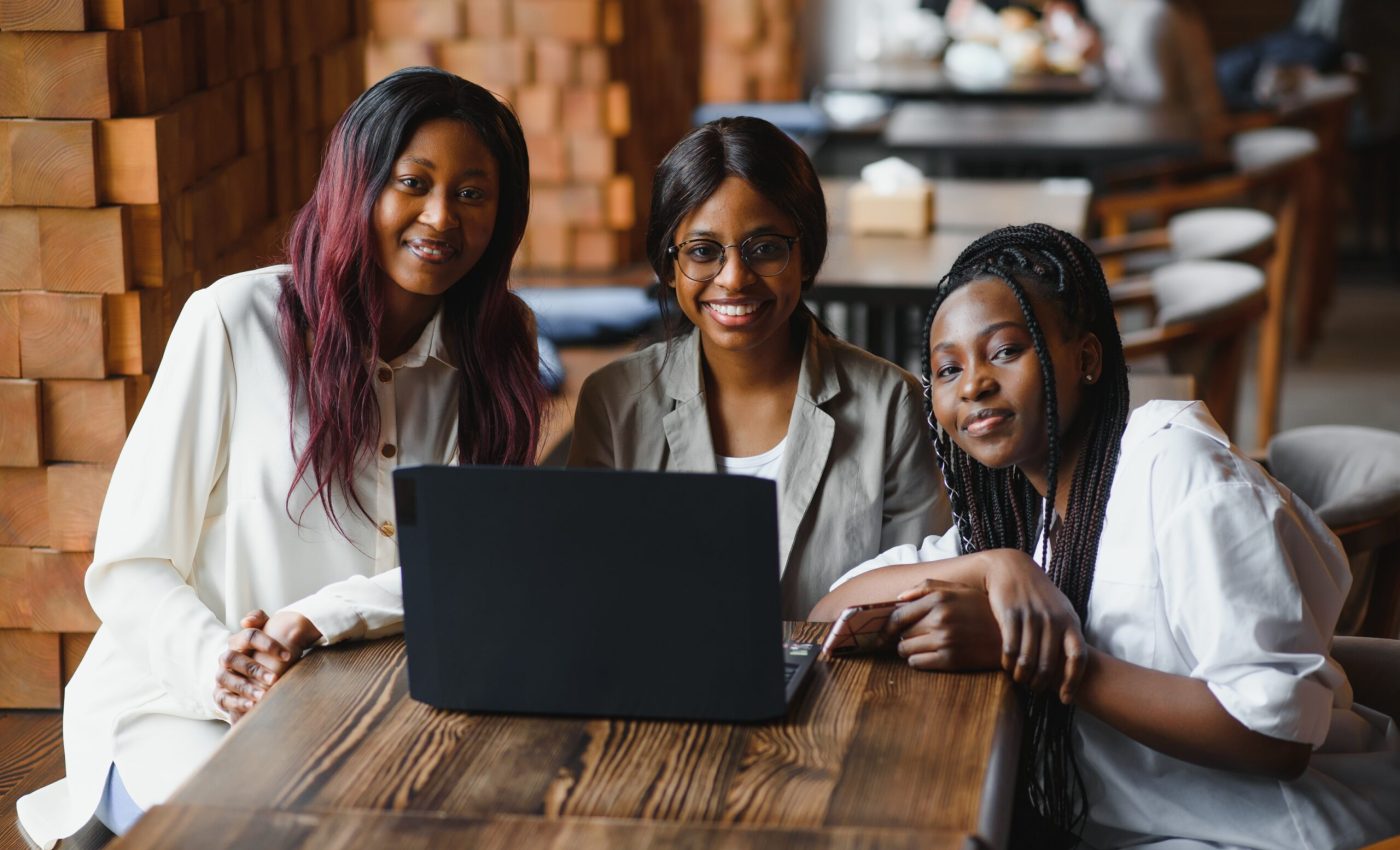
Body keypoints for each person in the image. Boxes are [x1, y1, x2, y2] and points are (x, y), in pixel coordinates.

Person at [16, 67, 546, 847]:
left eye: (473, 193)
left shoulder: (500, 343)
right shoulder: (235, 320)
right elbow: (130, 565)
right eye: (413, 182)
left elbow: (481, 560)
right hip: (179, 703)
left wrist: (316, 620)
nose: (441, 216)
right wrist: (221, 667)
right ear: (356, 184)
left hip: (378, 705)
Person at [811, 224, 1400, 849]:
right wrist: (994, 568)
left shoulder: (1180, 475)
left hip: (1273, 834)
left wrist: (1048, 660)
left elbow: (1275, 738)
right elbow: (833, 606)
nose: (974, 383)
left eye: (1006, 351)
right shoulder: (1020, 516)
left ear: (1087, 359)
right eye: (948, 369)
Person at [567, 117, 948, 618]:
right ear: (667, 266)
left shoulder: (891, 405)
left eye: (765, 248)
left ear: (807, 254)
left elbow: (914, 600)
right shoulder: (614, 400)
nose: (734, 278)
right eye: (703, 252)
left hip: (844, 687)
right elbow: (590, 590)